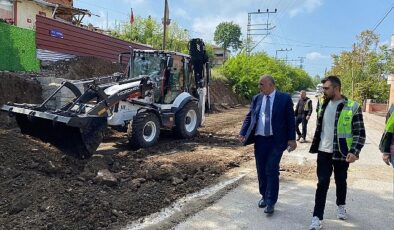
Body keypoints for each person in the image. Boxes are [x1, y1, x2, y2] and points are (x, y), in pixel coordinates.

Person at [308, 76, 366, 230]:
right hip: (323, 152)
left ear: (336, 88)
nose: (323, 91)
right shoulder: (322, 103)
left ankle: (341, 205)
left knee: (341, 181)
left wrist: (354, 151)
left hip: (342, 153)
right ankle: (316, 217)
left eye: (326, 88)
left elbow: (360, 132)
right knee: (322, 183)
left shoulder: (352, 106)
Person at [239, 75, 297, 215]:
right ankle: (264, 195)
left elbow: (290, 119)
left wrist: (292, 139)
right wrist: (243, 131)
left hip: (276, 141)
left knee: (271, 169)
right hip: (260, 140)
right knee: (261, 169)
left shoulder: (284, 98)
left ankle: (271, 201)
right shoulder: (257, 98)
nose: (259, 87)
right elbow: (250, 116)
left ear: (271, 85)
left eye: (262, 84)